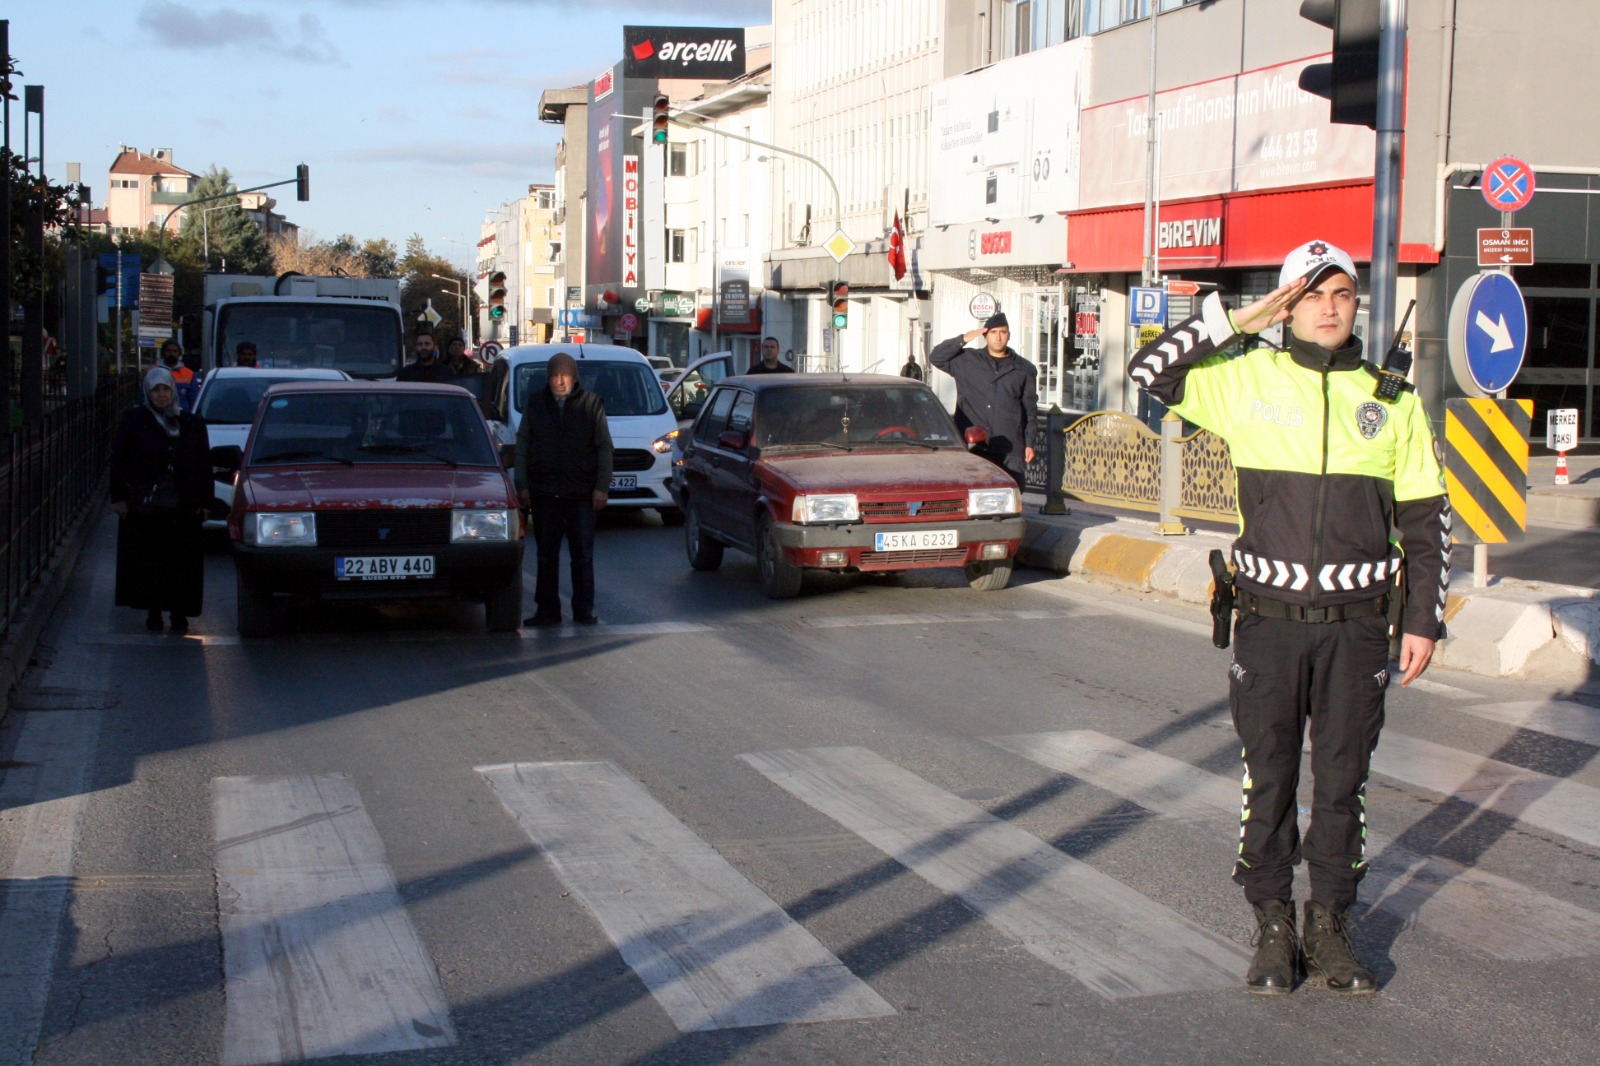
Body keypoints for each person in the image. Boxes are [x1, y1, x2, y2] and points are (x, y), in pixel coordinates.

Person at [1128, 240, 1450, 997]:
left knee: (1344, 781)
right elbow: (1150, 372)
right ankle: (1273, 923)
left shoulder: (1393, 398)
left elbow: (1428, 520)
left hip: (1358, 626)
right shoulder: (1245, 377)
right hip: (1269, 624)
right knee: (1267, 776)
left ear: (1356, 302)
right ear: (1287, 306)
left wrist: (1425, 621)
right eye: (1310, 295)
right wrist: (1238, 318)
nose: (1328, 308)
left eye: (1340, 293)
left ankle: (1330, 925)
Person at [109, 366, 213, 634]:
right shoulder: (134, 420)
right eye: (156, 390)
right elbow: (119, 460)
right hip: (148, 507)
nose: (162, 395)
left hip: (183, 506)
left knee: (181, 563)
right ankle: (153, 613)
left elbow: (203, 464)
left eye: (166, 389)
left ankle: (179, 614)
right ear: (148, 392)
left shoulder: (191, 423)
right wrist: (119, 498)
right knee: (151, 561)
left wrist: (206, 502)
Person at [515, 353, 613, 626]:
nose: (560, 381)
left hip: (581, 493)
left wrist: (601, 487)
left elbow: (604, 447)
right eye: (555, 376)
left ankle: (583, 609)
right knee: (546, 555)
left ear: (574, 378)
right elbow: (523, 444)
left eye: (565, 375)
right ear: (548, 378)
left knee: (582, 556)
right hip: (545, 492)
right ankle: (547, 610)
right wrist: (522, 485)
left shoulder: (591, 404)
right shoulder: (536, 403)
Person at [927, 312, 1037, 488]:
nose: (999, 337)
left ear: (1009, 335)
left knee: (1013, 490)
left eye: (1003, 332)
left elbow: (1030, 409)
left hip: (1010, 446)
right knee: (975, 492)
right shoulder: (967, 360)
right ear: (985, 335)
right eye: (993, 332)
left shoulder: (1024, 368)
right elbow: (936, 357)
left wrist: (1029, 443)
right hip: (974, 444)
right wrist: (963, 338)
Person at [160, 339, 198, 410]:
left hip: (182, 417)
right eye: (168, 351)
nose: (172, 353)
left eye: (175, 351)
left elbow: (194, 399)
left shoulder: (189, 374)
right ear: (163, 353)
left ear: (179, 353)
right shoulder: (153, 372)